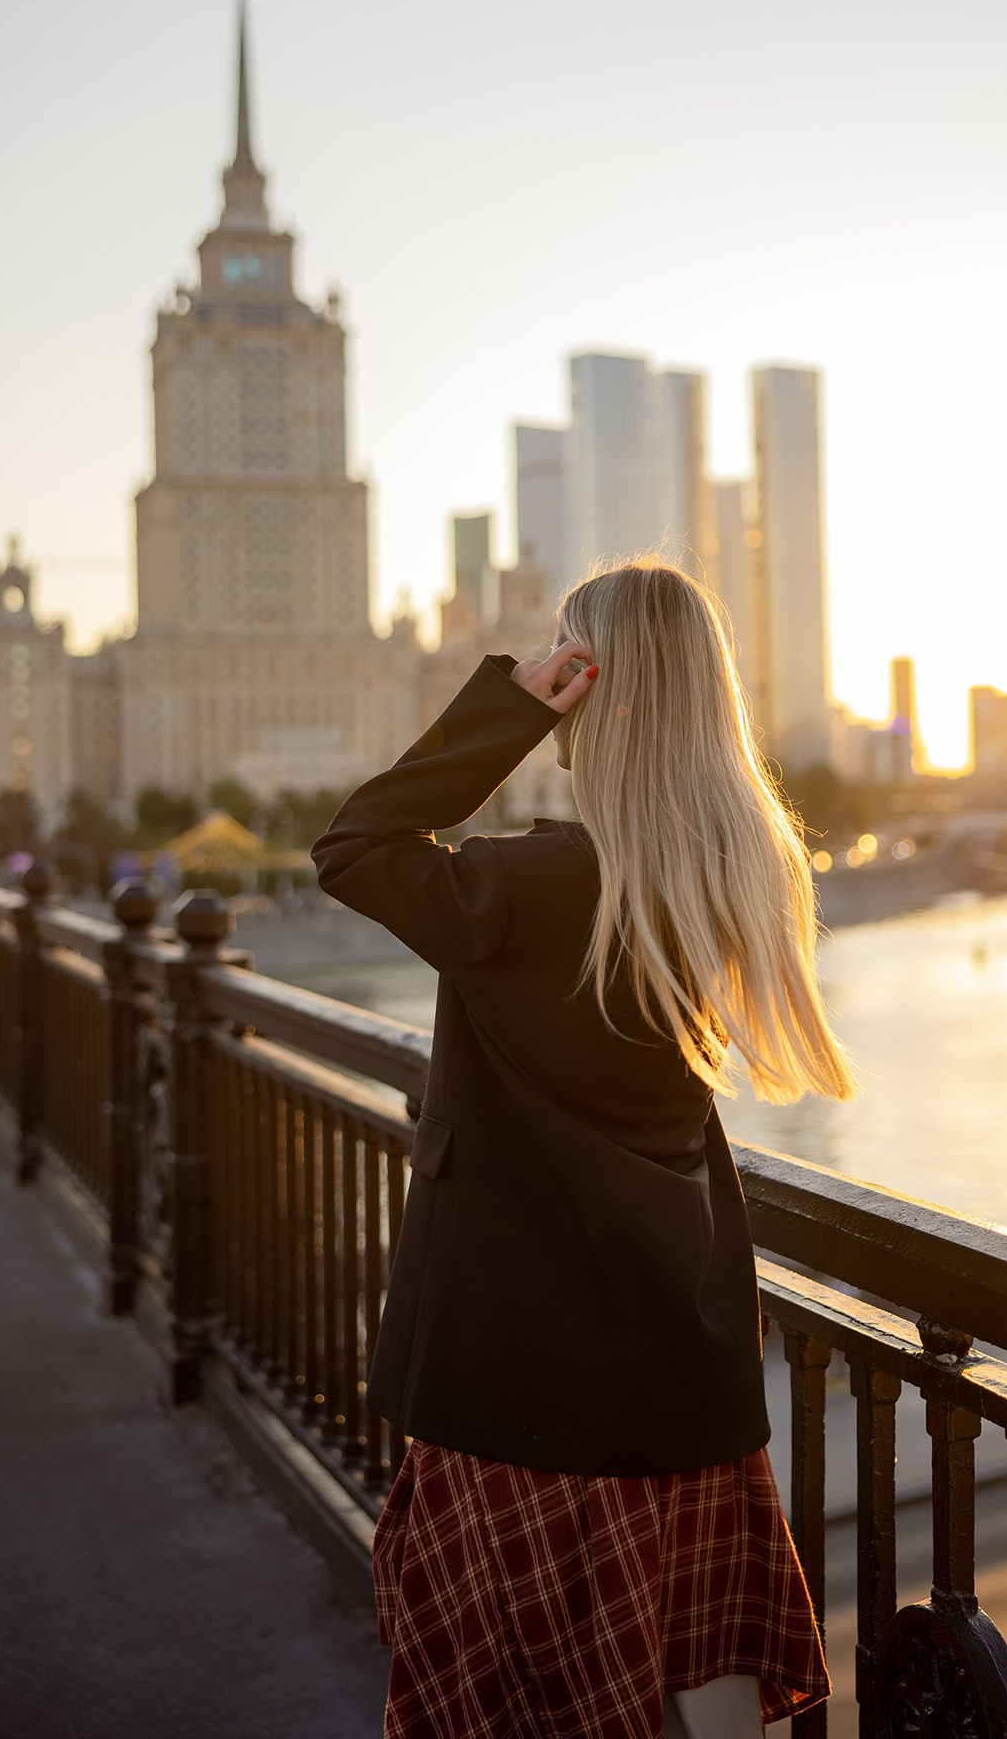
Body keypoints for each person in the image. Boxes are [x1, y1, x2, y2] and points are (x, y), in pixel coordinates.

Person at [312, 558, 858, 1739]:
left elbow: (353, 843)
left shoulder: (532, 882)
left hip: (516, 1374)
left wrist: (508, 705)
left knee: (516, 1682)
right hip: (678, 1345)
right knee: (699, 1637)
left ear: (590, 686)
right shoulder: (731, 874)